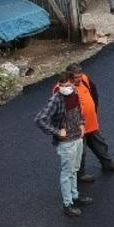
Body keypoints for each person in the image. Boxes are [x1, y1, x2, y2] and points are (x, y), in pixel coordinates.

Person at [34, 70, 93, 218]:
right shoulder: (56, 100)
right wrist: (56, 131)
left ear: (73, 84)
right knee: (67, 173)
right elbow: (40, 119)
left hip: (77, 138)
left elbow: (79, 111)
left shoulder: (75, 94)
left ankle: (75, 196)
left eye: (67, 85)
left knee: (75, 170)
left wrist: (81, 124)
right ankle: (67, 205)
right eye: (61, 85)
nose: (64, 88)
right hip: (66, 143)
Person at [63, 63, 114, 184]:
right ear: (68, 76)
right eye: (76, 77)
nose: (79, 79)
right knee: (79, 152)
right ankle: (80, 174)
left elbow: (94, 92)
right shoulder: (62, 87)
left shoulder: (84, 79)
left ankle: (107, 164)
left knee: (99, 143)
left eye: (80, 76)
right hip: (76, 128)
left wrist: (94, 111)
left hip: (91, 123)